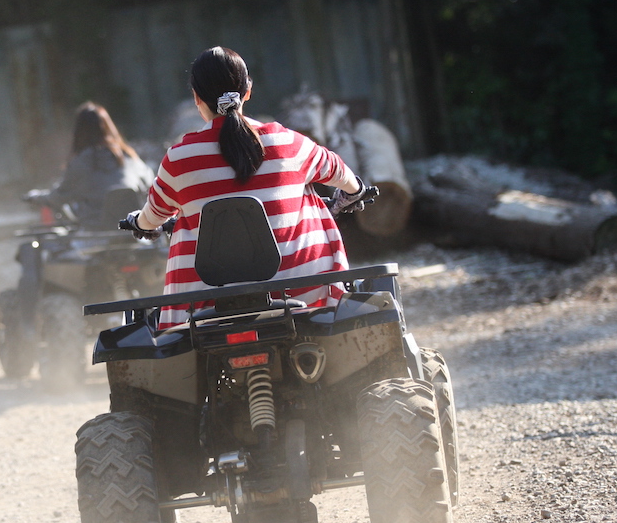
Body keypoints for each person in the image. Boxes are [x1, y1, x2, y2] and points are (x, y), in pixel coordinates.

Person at [123, 46, 370, 330]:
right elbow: (339, 172)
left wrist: (140, 224)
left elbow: (153, 216)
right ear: (248, 91)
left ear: (196, 97)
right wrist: (354, 193)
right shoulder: (289, 143)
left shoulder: (180, 158)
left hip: (203, 307)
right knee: (308, 197)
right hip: (301, 294)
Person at [25, 102, 154, 229]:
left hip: (96, 229)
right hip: (134, 227)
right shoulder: (129, 157)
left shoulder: (81, 162)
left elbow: (59, 196)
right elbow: (150, 184)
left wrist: (36, 198)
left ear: (79, 131)